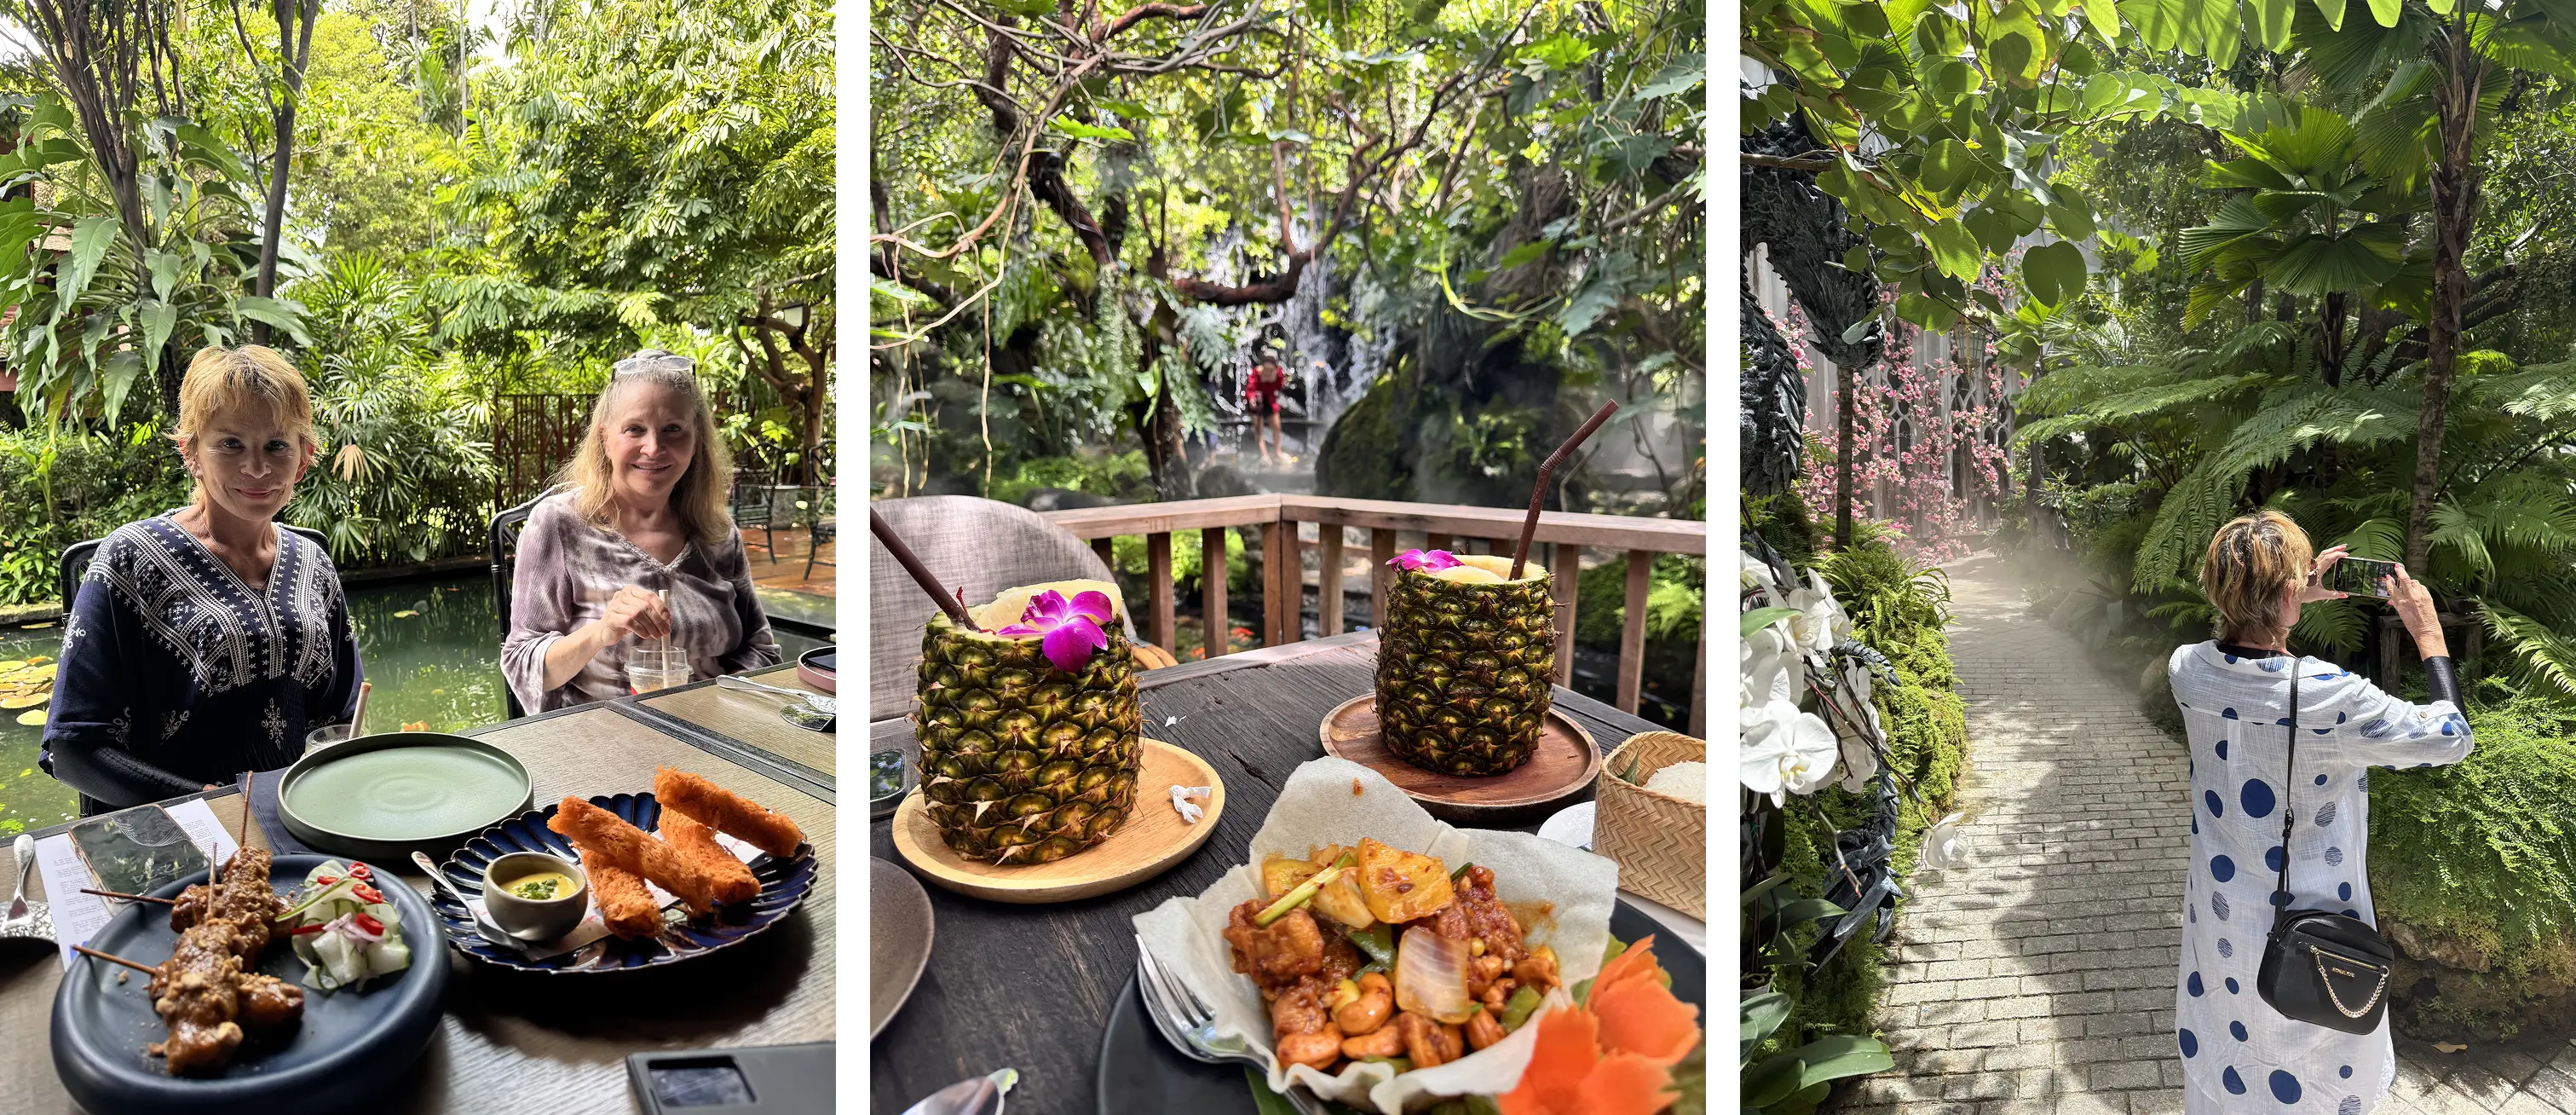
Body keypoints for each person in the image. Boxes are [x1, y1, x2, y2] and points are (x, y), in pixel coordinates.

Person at [2170, 511, 2470, 1114]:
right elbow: (2450, 737)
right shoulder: (2330, 696)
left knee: (2229, 1046)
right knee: (2311, 1066)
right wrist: (2427, 632)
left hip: (2222, 921)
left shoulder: (2188, 671)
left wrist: (2283, 599)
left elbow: (2245, 649)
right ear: (2290, 593)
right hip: (2312, 930)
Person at [43, 346, 364, 815]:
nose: (257, 468)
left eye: (276, 445)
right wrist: (216, 808)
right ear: (190, 452)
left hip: (296, 828)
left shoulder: (313, 563)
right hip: (167, 839)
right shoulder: (128, 559)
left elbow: (342, 718)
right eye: (231, 444)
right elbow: (73, 750)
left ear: (304, 457)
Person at [502, 350, 780, 713]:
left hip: (716, 727)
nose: (653, 448)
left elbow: (762, 649)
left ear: (696, 441)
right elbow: (522, 664)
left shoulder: (717, 533)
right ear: (605, 439)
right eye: (635, 429)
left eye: (672, 430)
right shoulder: (560, 524)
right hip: (603, 732)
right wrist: (601, 632)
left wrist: (720, 712)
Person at [1245, 342, 1289, 465]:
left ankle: (1278, 452)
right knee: (1259, 430)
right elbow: (1250, 389)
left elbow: (1279, 387)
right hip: (1257, 401)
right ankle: (1264, 455)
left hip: (1270, 400)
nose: (1268, 371)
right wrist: (1252, 398)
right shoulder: (1256, 372)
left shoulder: (1279, 374)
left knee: (1276, 427)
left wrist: (1273, 378)